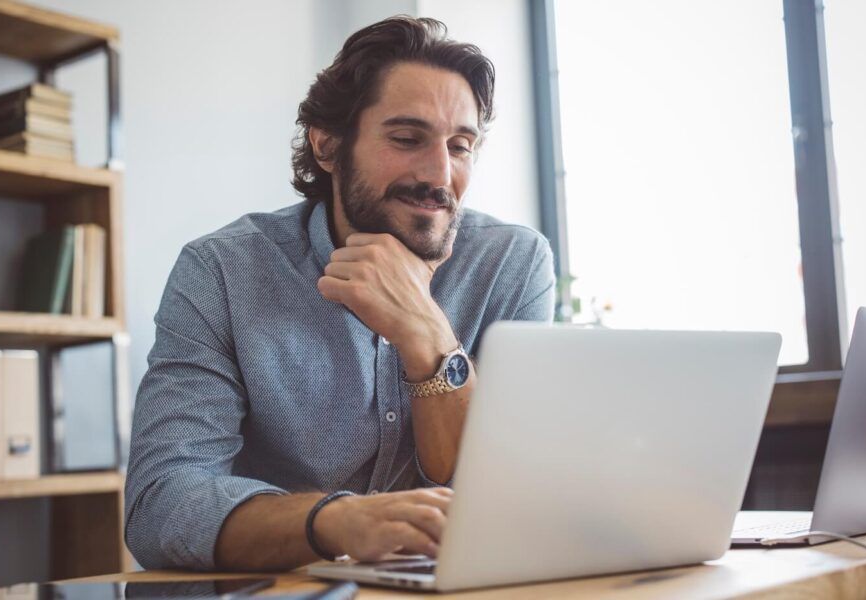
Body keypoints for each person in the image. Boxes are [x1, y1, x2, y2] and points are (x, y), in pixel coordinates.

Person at [124, 16, 555, 571]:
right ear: (327, 146)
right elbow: (160, 504)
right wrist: (338, 522)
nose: (439, 173)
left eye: (461, 145)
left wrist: (426, 332)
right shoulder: (223, 271)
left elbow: (502, 489)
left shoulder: (513, 264)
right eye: (407, 139)